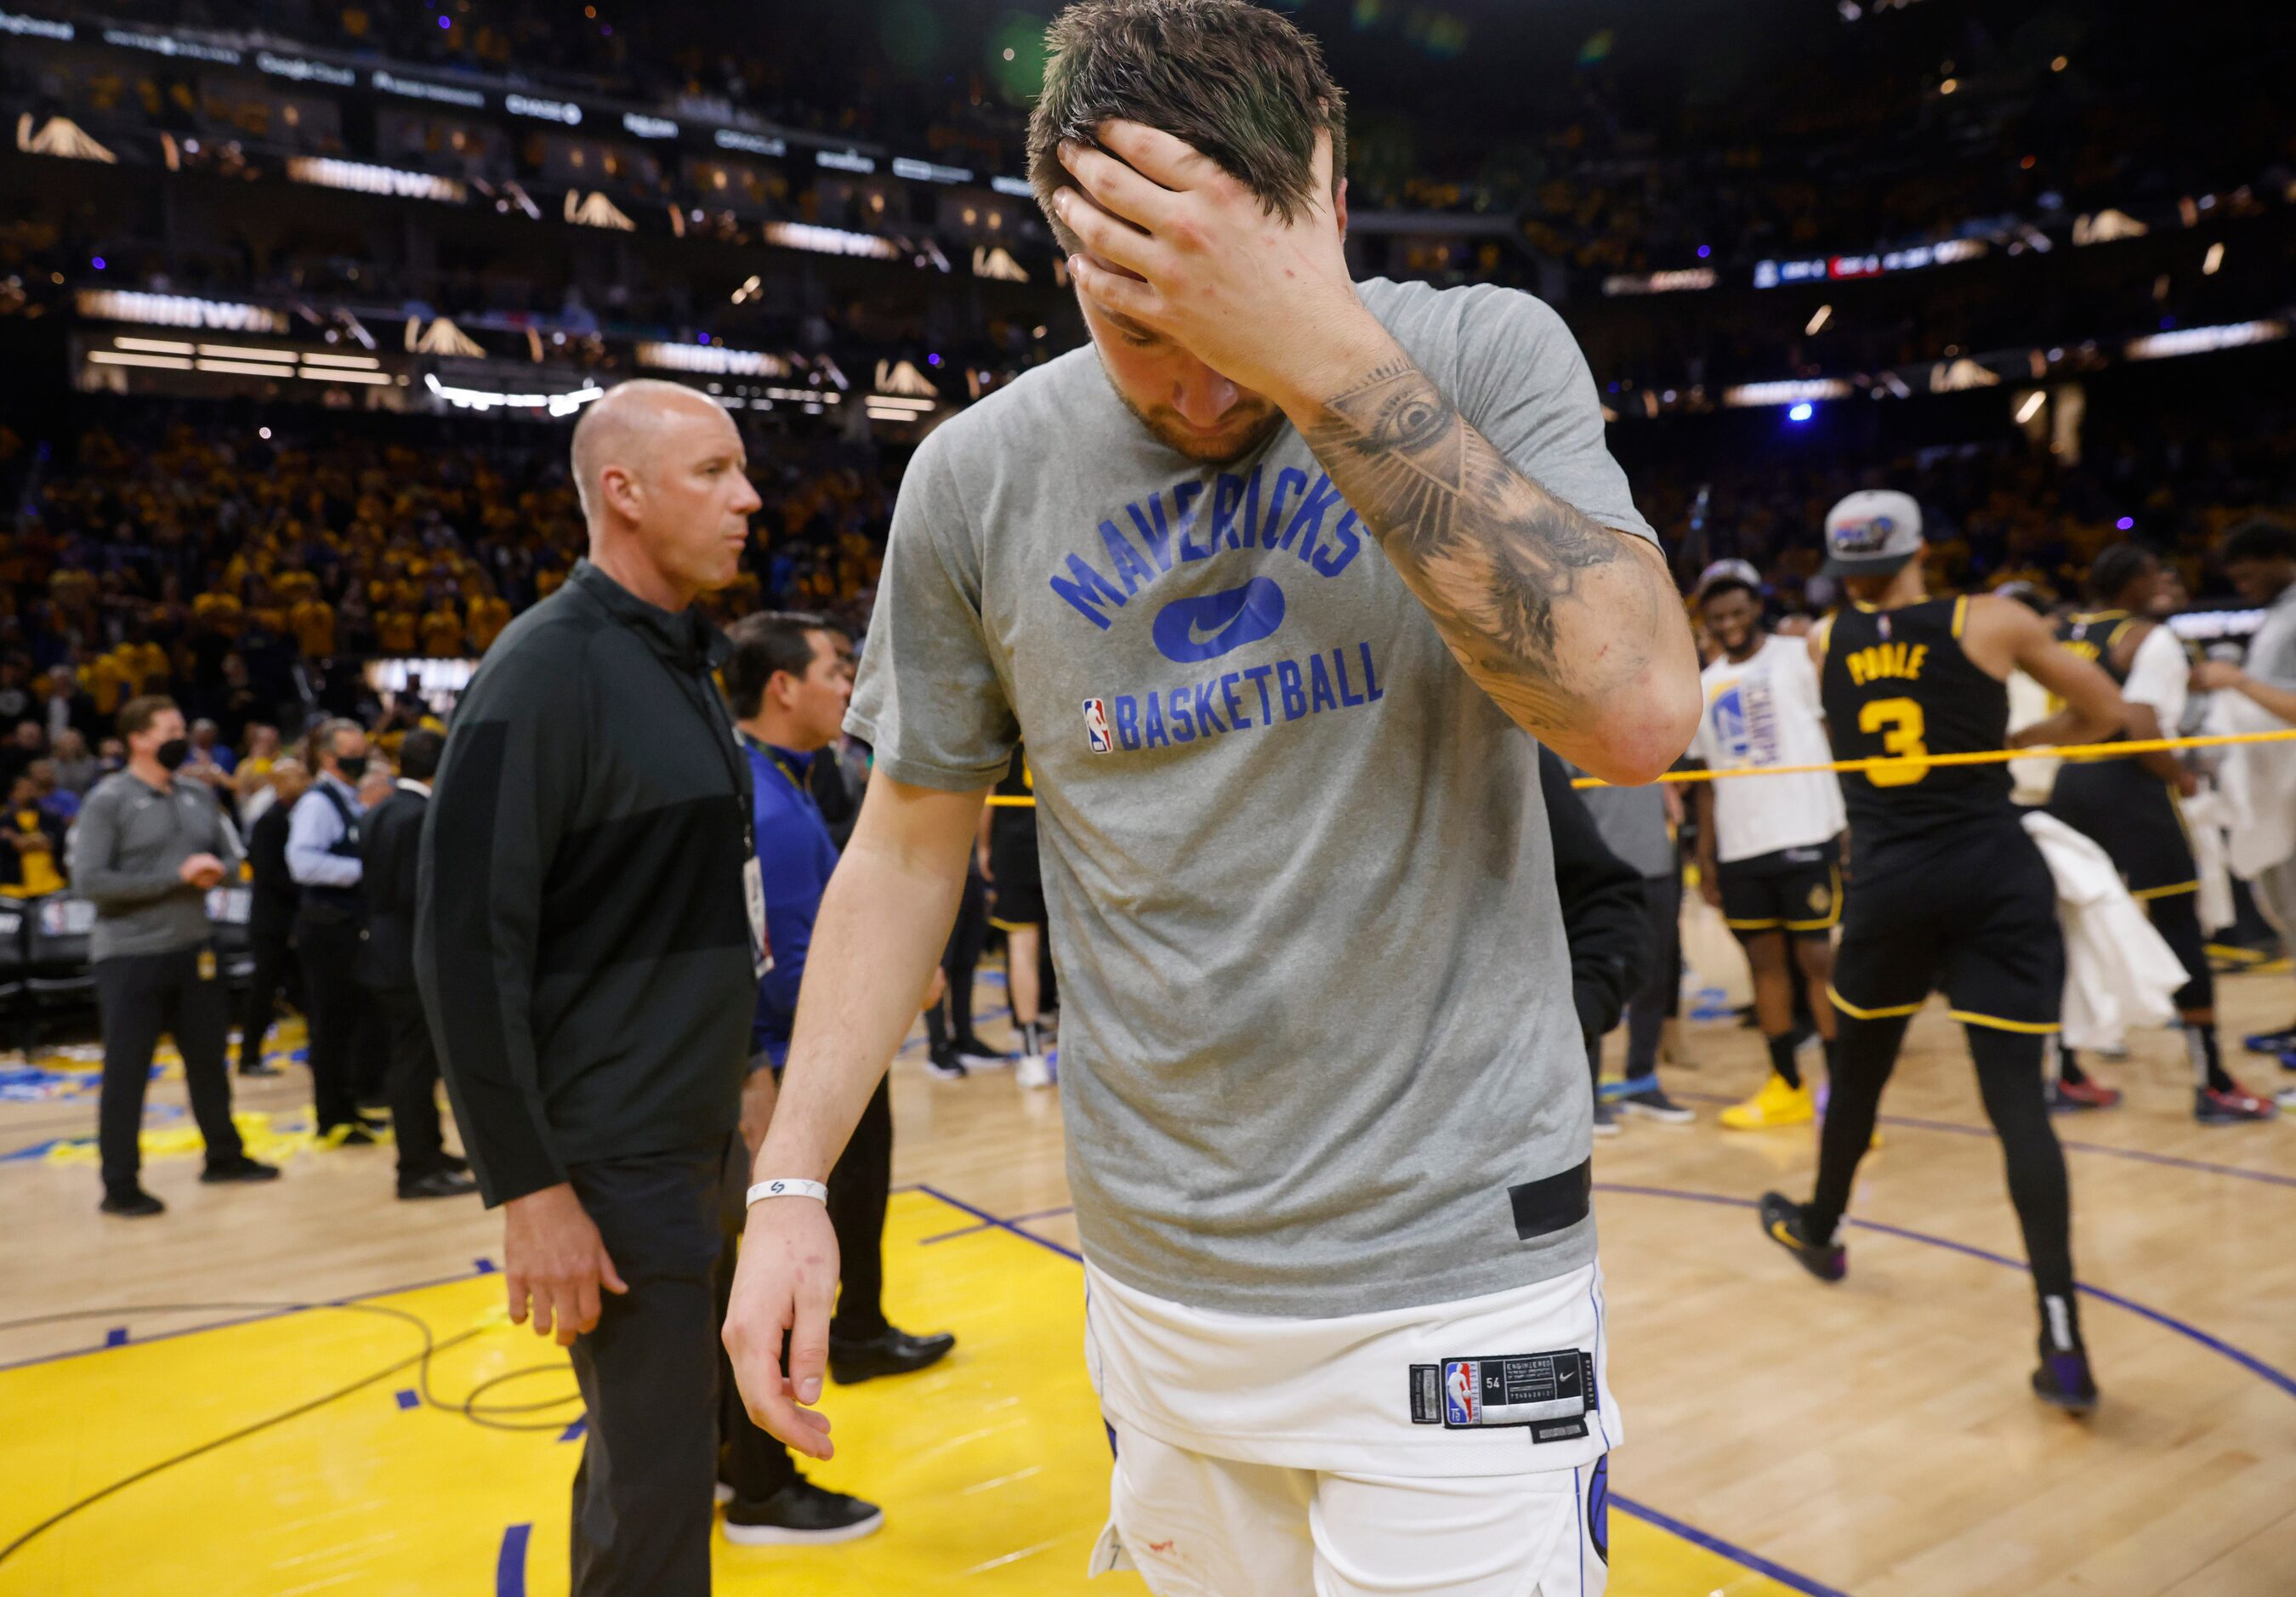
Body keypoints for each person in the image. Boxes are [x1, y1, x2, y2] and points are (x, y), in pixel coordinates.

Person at [725, 7, 1702, 1593]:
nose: (1190, 387)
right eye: (1134, 323)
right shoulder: (977, 476)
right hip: (1159, 1284)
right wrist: (789, 1186)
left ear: (1321, 202)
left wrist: (1312, 350)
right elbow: (908, 846)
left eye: (1220, 311)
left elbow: (1635, 710)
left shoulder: (1476, 355)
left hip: (1458, 1275)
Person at [419, 379, 774, 1596]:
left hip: (693, 1137)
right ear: (621, 491)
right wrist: (527, 1187)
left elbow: (703, 910)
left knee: (651, 1469)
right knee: (661, 1488)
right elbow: (465, 948)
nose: (750, 498)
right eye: (716, 473)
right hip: (612, 1161)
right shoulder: (542, 671)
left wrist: (751, 1078)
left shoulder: (680, 662)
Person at [1759, 491, 2125, 1412]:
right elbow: (2107, 712)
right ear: (1922, 547)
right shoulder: (1992, 620)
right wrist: (2027, 736)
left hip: (1890, 887)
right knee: (2016, 1105)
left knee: (1861, 1067)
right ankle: (2062, 1332)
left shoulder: (1820, 641)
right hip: (1995, 878)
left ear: (1843, 567)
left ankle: (1822, 1225)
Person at [721, 609, 965, 1543]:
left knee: (834, 1239)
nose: (849, 684)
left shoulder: (786, 782)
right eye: (834, 667)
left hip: (804, 1065)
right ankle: (763, 1480)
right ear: (782, 685)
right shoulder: (763, 801)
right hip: (796, 1075)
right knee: (785, 1269)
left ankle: (825, 1374)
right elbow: (778, 960)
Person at [2043, 545, 2273, 1122]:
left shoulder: (2066, 627)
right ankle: (2212, 1081)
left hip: (2069, 784)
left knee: (2067, 930)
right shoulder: (2151, 637)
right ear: (2135, 582)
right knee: (2179, 928)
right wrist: (2183, 776)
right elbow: (2139, 719)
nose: (2166, 581)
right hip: (2133, 788)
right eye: (2157, 574)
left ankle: (2065, 1072)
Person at [71, 696, 278, 1215]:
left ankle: (224, 1155)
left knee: (209, 1061)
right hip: (130, 955)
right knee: (128, 1071)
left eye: (182, 725)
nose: (180, 736)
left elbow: (232, 858)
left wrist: (218, 871)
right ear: (138, 739)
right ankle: (120, 1184)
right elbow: (91, 883)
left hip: (195, 948)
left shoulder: (196, 795)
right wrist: (175, 878)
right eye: (169, 728)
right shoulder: (109, 800)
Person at [1690, 565, 1850, 1130]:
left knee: (1818, 961)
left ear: (1755, 608)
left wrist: (1846, 821)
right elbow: (1706, 781)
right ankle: (1787, 1085)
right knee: (1764, 968)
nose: (1729, 625)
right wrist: (1705, 859)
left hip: (1806, 832)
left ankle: (1844, 1095)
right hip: (1741, 847)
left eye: (1736, 613)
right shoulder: (1704, 686)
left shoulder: (1796, 656)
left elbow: (1834, 735)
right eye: (1717, 619)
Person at [354, 730, 476, 1200]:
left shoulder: (381, 806)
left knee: (414, 1063)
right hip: (409, 955)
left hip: (382, 948)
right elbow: (417, 896)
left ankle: (431, 1150)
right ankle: (416, 1168)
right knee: (413, 1066)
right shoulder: (422, 815)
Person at [2199, 519, 2296, 1065]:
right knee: (2288, 915)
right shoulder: (2279, 614)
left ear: (2282, 556)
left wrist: (2237, 682)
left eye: (2247, 574)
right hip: (2278, 790)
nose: (2240, 585)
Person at [1539, 750, 1654, 1132]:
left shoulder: (1514, 753)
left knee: (1657, 981)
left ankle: (1639, 1077)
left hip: (1515, 1139)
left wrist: (1575, 1020)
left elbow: (1608, 908)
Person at [1573, 771, 1694, 1128]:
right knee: (1593, 977)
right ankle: (1586, 1096)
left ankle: (1642, 1080)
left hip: (1657, 865)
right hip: (1599, 872)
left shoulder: (1650, 729)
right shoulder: (1569, 732)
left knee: (1655, 976)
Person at [287, 718, 377, 1141]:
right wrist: (364, 871)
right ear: (327, 756)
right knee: (328, 1025)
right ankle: (332, 1117)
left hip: (348, 926)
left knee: (350, 1022)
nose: (359, 758)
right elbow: (302, 862)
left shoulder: (349, 798)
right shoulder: (318, 803)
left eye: (362, 750)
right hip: (326, 927)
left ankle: (350, 1106)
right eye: (351, 752)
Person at [983, 745, 1055, 1086]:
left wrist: (983, 847)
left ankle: (1031, 1051)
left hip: (1012, 839)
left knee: (1022, 947)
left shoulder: (1002, 730)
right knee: (1069, 944)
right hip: (1056, 836)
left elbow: (986, 791)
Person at [238, 756, 308, 1078]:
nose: (301, 783)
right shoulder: (270, 820)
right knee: (264, 989)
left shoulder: (298, 815)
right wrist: (307, 887)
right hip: (271, 921)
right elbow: (268, 873)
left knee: (305, 988)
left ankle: (320, 1049)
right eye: (293, 777)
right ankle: (248, 1057)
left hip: (292, 916)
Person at [0, 773, 68, 895]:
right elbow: (10, 847)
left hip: (53, 885)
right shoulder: (4, 821)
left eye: (31, 788)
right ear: (12, 794)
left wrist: (16, 838)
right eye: (24, 789)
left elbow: (54, 844)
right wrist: (38, 840)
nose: (29, 792)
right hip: (14, 889)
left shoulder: (52, 817)